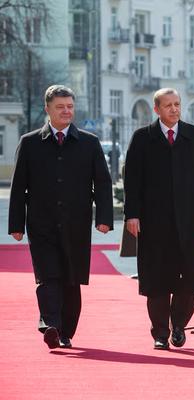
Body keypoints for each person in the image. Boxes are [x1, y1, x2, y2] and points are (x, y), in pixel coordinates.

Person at [8, 85, 113, 349]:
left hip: (76, 223)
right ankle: (50, 324)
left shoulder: (89, 143)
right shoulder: (30, 143)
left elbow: (102, 182)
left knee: (71, 278)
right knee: (47, 275)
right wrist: (16, 224)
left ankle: (66, 331)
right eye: (60, 107)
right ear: (48, 109)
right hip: (41, 222)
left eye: (70, 106)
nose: (66, 111)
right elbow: (19, 185)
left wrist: (104, 217)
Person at [124, 88, 194, 350]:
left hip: (188, 220)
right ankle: (160, 333)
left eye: (177, 104)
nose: (174, 109)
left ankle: (179, 325)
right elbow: (133, 180)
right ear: (157, 109)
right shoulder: (143, 138)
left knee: (190, 277)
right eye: (168, 105)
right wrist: (132, 215)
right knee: (157, 279)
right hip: (154, 223)